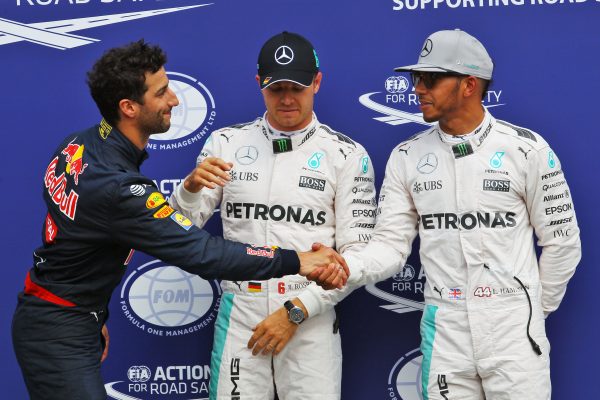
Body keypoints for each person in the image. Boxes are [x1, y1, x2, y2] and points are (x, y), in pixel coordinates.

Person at [11, 39, 349, 400]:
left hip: (63, 315)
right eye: (161, 93)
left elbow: (74, 239)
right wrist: (298, 260)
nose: (174, 99)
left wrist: (89, 312)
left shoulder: (79, 144)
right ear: (128, 107)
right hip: (59, 327)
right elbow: (204, 253)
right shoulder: (119, 186)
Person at [340, 29, 581, 399]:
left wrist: (530, 310)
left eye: (431, 79)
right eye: (416, 78)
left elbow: (563, 242)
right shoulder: (407, 156)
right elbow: (389, 246)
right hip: (445, 327)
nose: (418, 88)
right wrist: (345, 267)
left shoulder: (527, 149)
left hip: (514, 330)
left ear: (469, 85)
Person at [170, 31, 376, 400]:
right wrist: (189, 189)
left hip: (308, 313)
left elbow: (356, 257)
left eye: (296, 87)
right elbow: (179, 229)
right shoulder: (226, 144)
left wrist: (296, 312)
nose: (285, 99)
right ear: (258, 84)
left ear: (317, 82)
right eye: (275, 87)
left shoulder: (346, 155)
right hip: (241, 310)